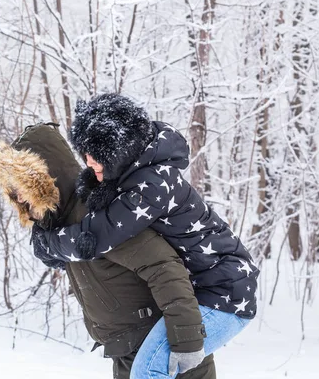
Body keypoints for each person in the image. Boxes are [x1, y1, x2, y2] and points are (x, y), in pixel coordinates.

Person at [33, 94, 260, 379]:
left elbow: (98, 235)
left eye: (95, 154)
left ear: (118, 149)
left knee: (148, 370)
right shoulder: (138, 169)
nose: (88, 162)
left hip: (225, 295)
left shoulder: (152, 185)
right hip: (205, 290)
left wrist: (48, 245)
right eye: (85, 153)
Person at [0, 122, 216, 379]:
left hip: (162, 349)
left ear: (44, 180)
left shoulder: (95, 215)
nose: (20, 201)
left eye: (21, 190)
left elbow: (164, 267)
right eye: (13, 194)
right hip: (131, 349)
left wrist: (187, 340)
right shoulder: (64, 225)